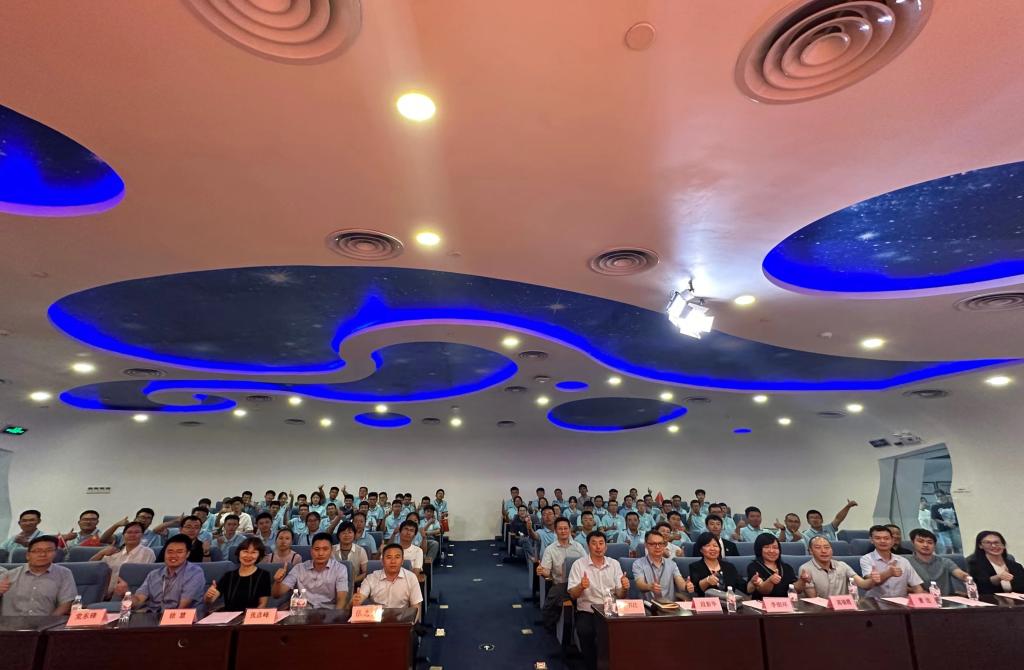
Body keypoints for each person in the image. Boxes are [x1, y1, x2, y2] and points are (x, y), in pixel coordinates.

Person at [567, 532, 629, 670]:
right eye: (594, 543)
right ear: (588, 546)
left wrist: (624, 588)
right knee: (586, 632)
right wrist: (581, 586)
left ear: (606, 547)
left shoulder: (614, 564)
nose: (598, 547)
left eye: (601, 543)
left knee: (624, 632)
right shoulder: (579, 565)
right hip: (588, 611)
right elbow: (573, 595)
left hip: (611, 611)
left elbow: (620, 594)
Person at [125, 534, 205, 613]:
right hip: (153, 616)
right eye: (170, 552)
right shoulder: (153, 575)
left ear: (187, 554)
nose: (173, 555)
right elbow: (138, 601)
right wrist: (126, 593)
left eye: (179, 552)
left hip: (179, 617)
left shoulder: (194, 572)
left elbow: (183, 606)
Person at [0, 536, 77, 615]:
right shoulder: (8, 575)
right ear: (27, 555)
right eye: (37, 551)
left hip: (48, 621)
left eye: (49, 550)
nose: (43, 554)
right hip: (11, 622)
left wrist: (50, 620)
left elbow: (66, 603)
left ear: (55, 553)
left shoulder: (64, 574)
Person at [272, 532, 349, 609]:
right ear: (311, 551)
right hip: (303, 611)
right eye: (317, 549)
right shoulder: (299, 568)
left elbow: (341, 599)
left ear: (331, 551)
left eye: (325, 549)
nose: (320, 553)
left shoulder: (340, 569)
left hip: (328, 611)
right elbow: (276, 594)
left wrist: (336, 615)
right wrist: (277, 582)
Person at [537, 517, 586, 632]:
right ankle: (550, 623)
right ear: (555, 531)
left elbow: (586, 565)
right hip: (561, 584)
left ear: (570, 530)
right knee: (557, 592)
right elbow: (547, 572)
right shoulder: (550, 549)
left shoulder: (578, 547)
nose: (563, 531)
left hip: (579, 583)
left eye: (565, 528)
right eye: (560, 529)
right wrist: (541, 571)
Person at [353, 543, 423, 620]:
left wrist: (411, 624)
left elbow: (416, 607)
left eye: (397, 557)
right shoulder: (371, 577)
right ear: (382, 561)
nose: (393, 561)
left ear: (402, 561)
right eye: (389, 557)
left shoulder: (411, 578)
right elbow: (361, 597)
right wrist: (357, 600)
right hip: (376, 619)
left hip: (401, 620)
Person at [90, 521, 156, 598]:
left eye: (137, 532)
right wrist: (101, 553)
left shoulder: (147, 553)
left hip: (132, 594)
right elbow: (90, 568)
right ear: (123, 536)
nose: (132, 535)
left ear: (142, 535)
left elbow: (142, 578)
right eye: (129, 532)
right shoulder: (114, 552)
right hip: (107, 595)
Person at [205, 537, 271, 611]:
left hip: (251, 616)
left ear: (259, 555)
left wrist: (249, 617)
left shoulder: (264, 575)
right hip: (228, 616)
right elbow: (210, 601)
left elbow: (262, 604)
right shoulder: (228, 576)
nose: (248, 556)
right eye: (245, 551)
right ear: (239, 553)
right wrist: (209, 596)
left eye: (253, 552)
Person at [859, 525, 924, 598]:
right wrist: (889, 573)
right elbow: (869, 584)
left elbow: (917, 587)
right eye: (878, 538)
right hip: (875, 601)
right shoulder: (866, 559)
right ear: (871, 540)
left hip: (901, 602)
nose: (882, 541)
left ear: (892, 540)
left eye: (886, 538)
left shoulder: (903, 561)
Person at [799, 536, 873, 597]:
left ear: (832, 550)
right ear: (811, 551)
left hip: (843, 608)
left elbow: (863, 584)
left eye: (827, 547)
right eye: (818, 547)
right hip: (820, 609)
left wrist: (873, 580)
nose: (823, 551)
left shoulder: (842, 565)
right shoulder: (806, 569)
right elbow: (813, 599)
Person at [907, 528, 972, 596]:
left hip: (945, 599)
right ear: (913, 542)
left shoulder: (945, 561)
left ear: (934, 545)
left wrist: (967, 578)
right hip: (917, 599)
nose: (925, 545)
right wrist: (916, 591)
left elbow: (960, 574)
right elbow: (901, 585)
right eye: (921, 541)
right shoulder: (906, 561)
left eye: (930, 542)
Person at [634, 530, 691, 602]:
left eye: (660, 543)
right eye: (653, 544)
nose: (657, 547)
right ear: (646, 545)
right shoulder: (638, 563)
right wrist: (649, 586)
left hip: (670, 605)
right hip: (649, 605)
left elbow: (679, 581)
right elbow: (640, 583)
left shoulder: (672, 564)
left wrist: (686, 586)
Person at [688, 532, 746, 597]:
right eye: (708, 545)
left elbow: (744, 587)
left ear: (719, 548)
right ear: (701, 549)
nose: (712, 549)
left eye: (715, 546)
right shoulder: (695, 567)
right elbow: (696, 590)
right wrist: (707, 581)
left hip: (728, 602)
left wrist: (752, 583)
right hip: (706, 602)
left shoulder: (729, 567)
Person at [967, 530, 1024, 595]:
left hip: (1016, 600)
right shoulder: (974, 565)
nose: (994, 546)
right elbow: (980, 588)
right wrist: (997, 578)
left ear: (1003, 545)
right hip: (990, 600)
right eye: (988, 543)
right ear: (980, 546)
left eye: (997, 542)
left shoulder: (1016, 566)